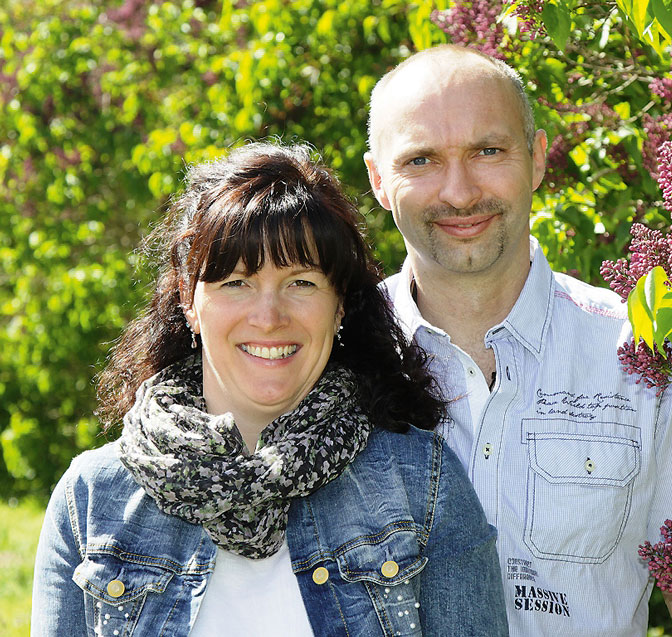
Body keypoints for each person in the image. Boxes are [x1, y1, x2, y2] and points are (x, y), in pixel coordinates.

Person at [32, 141, 509, 636]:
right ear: (188, 300)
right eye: (236, 282)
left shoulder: (421, 484)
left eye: (301, 282)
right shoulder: (91, 500)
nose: (269, 317)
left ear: (340, 303)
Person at [364, 45, 672, 637]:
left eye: (487, 151)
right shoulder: (335, 359)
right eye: (421, 160)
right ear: (379, 181)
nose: (460, 192)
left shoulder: (651, 355)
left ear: (538, 159)